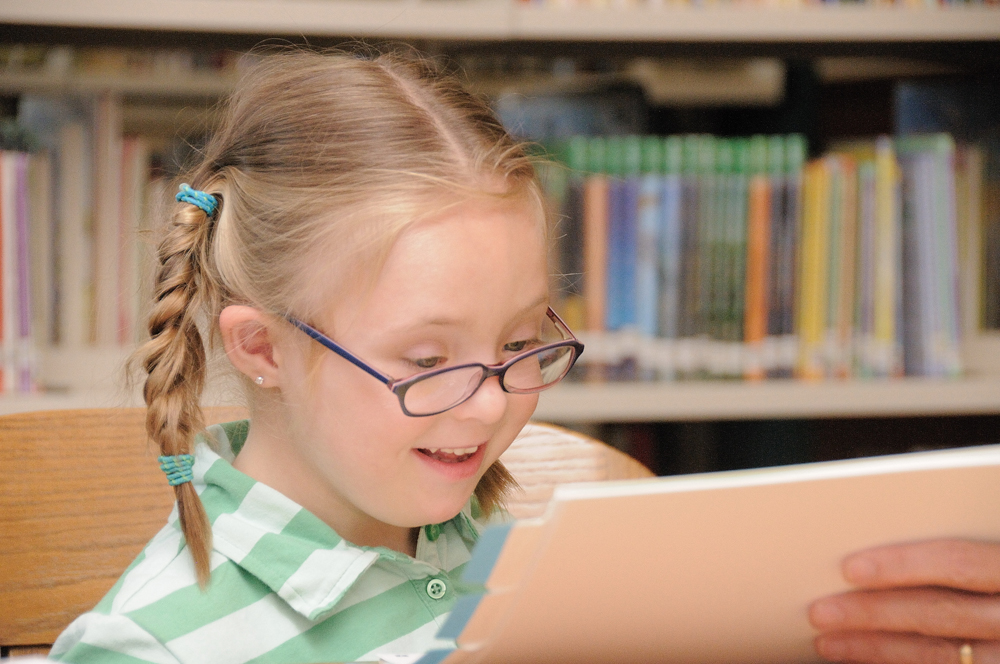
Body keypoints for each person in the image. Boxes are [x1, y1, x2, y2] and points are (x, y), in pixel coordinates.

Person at [48, 47, 1000, 664]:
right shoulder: (147, 647)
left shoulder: (543, 572)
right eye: (427, 359)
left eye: (518, 343)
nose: (488, 406)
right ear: (261, 347)